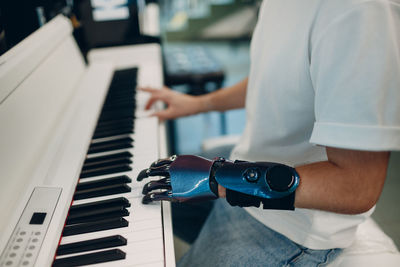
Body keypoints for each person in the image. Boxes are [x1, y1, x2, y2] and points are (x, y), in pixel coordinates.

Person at [140, 0, 400, 266]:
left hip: (291, 224)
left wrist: (220, 180)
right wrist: (199, 104)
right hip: (249, 165)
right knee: (139, 190)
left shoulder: (360, 11)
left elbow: (356, 187)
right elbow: (273, 74)